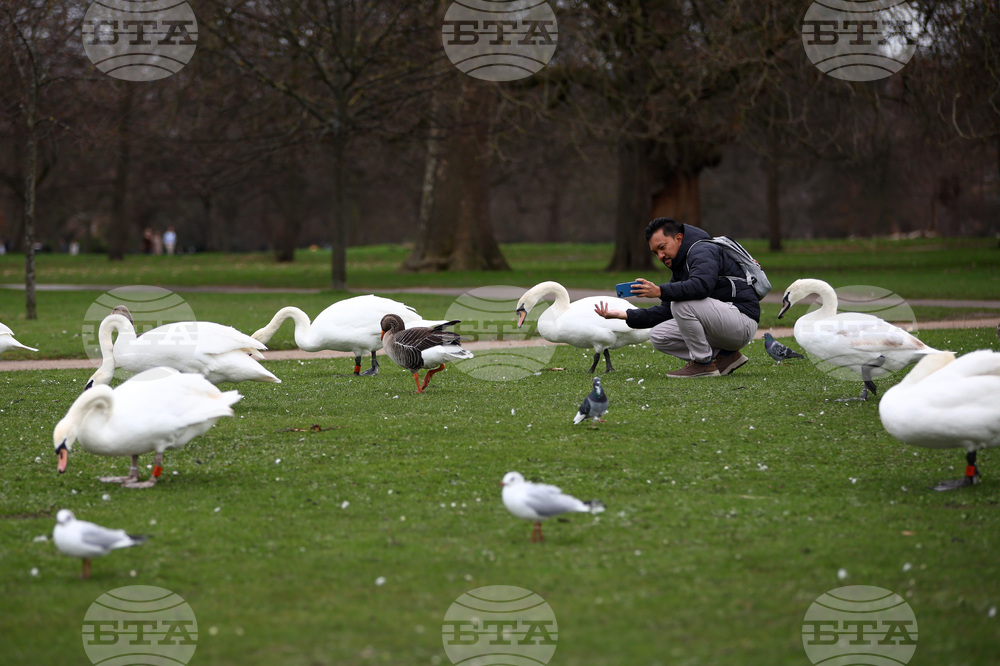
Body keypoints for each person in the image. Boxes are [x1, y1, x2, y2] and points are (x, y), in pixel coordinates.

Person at [595, 218, 760, 378]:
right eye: (655, 252)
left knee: (681, 305)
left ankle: (702, 363)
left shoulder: (702, 250)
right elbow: (666, 311)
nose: (660, 256)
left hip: (742, 320)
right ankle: (726, 357)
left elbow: (702, 286)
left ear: (679, 238)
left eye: (662, 247)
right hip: (723, 323)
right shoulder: (681, 265)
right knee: (659, 335)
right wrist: (626, 315)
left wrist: (659, 291)